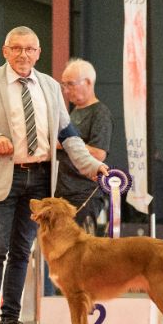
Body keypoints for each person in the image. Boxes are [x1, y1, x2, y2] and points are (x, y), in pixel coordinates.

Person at [0, 26, 108, 324]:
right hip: (2, 176)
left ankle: (10, 322)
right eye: (17, 48)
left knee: (24, 251)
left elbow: (68, 135)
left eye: (30, 49)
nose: (24, 55)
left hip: (39, 179)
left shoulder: (50, 87)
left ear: (38, 53)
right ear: (5, 51)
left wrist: (92, 167)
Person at [55, 58, 112, 234]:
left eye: (70, 84)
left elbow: (99, 154)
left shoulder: (100, 113)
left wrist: (64, 144)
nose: (65, 91)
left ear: (88, 82)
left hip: (84, 193)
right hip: (65, 191)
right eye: (63, 85)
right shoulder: (74, 112)